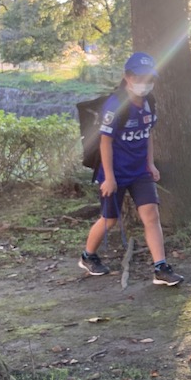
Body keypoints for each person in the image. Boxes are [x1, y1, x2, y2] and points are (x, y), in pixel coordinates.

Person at [79, 52, 184, 286]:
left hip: (139, 172)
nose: (145, 83)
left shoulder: (149, 103)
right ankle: (87, 256)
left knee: (151, 215)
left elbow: (147, 134)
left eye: (149, 79)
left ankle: (160, 268)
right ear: (127, 77)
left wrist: (150, 163)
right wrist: (109, 178)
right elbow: (105, 142)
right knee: (109, 219)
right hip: (114, 172)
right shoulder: (115, 105)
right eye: (139, 78)